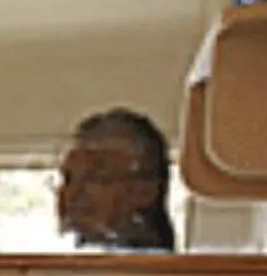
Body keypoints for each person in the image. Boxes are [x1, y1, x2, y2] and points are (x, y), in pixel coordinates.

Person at [56, 108, 177, 251]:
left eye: (97, 178)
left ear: (145, 191)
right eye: (68, 178)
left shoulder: (159, 263)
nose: (74, 193)